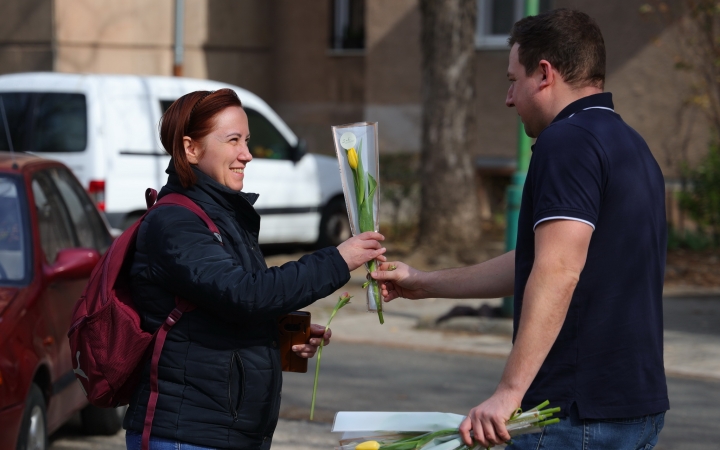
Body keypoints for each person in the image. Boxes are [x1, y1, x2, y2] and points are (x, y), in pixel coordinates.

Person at [372, 9, 668, 449]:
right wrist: (423, 283)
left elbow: (558, 270)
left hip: (575, 412)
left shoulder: (566, 141)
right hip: (636, 408)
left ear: (544, 73)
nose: (509, 98)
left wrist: (509, 393)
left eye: (513, 80)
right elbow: (538, 259)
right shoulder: (631, 145)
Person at [122, 88, 386, 450]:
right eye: (233, 141)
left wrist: (282, 334)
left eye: (247, 141)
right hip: (186, 435)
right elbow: (245, 294)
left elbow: (215, 310)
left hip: (227, 434)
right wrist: (338, 259)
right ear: (190, 148)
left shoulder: (223, 216)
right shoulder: (175, 223)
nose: (246, 155)